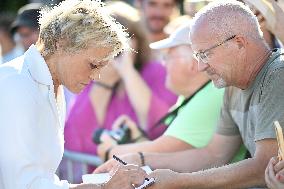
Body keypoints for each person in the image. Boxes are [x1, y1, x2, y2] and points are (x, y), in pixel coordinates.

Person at [99, 1, 284, 188]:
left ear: (239, 43)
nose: (201, 66)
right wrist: (140, 159)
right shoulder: (232, 86)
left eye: (204, 54)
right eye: (197, 56)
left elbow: (263, 167)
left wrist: (180, 181)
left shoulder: (277, 76)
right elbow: (213, 154)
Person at [0, 0, 150, 188]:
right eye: (93, 65)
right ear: (61, 43)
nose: (96, 77)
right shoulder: (16, 85)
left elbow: (41, 179)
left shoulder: (50, 83)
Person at [95, 23, 246, 165]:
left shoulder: (211, 95)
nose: (163, 63)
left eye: (168, 56)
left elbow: (158, 151)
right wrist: (138, 137)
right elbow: (167, 155)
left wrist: (109, 150)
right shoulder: (195, 94)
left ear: (193, 64)